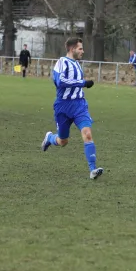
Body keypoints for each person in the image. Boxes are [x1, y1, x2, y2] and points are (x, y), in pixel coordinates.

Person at [40, 37, 103, 180]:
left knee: (87, 134)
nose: (83, 51)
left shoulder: (77, 65)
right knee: (63, 141)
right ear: (72, 49)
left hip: (79, 105)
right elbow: (60, 82)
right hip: (63, 106)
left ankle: (93, 170)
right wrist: (83, 83)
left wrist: (81, 86)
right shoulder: (62, 62)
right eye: (80, 48)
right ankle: (50, 137)